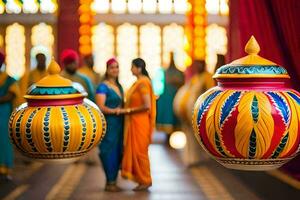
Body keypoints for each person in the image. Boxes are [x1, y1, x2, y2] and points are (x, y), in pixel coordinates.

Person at [121, 58, 156, 191]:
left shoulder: (142, 83)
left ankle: (146, 180)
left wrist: (128, 111)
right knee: (137, 151)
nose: (131, 69)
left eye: (132, 67)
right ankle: (141, 179)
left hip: (140, 122)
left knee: (140, 152)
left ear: (139, 68)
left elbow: (146, 106)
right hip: (135, 121)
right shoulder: (138, 82)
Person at [95, 58, 124, 192]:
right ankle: (109, 181)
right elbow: (100, 107)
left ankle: (113, 181)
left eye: (117, 67)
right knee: (108, 151)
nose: (115, 70)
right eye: (112, 67)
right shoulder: (102, 87)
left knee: (118, 151)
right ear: (107, 70)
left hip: (119, 124)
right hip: (108, 123)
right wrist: (116, 111)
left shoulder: (119, 86)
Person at [0, 52, 20, 181]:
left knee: (4, 140)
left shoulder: (9, 79)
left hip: (3, 112)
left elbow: (12, 94)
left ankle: (5, 168)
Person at [156, 52, 184, 135]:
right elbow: (159, 86)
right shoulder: (164, 72)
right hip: (166, 99)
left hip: (175, 98)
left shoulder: (180, 73)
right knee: (167, 118)